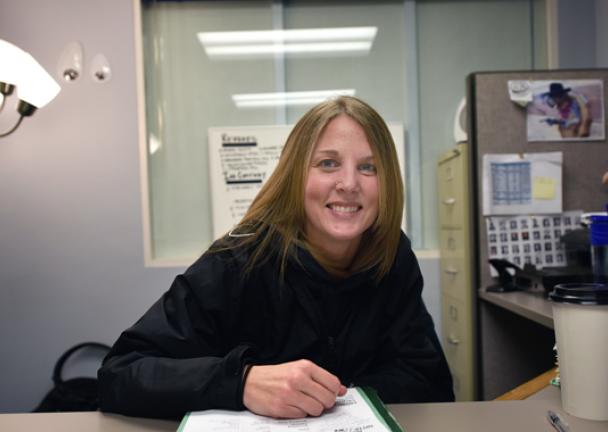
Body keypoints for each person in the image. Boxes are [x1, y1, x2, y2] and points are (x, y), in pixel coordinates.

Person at [98, 96, 454, 420]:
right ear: (294, 176)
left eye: (368, 167)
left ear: (388, 180)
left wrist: (338, 400)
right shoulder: (237, 260)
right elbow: (121, 374)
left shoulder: (392, 256)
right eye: (328, 163)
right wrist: (242, 382)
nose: (349, 183)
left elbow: (428, 379)